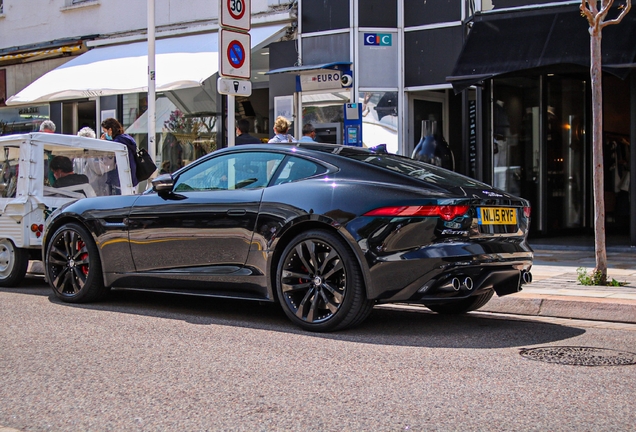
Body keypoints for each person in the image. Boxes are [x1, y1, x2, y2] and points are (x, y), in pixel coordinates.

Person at [100, 117, 139, 191]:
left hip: (122, 180)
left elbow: (107, 162)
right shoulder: (126, 138)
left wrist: (103, 143)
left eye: (104, 131)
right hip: (132, 178)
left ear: (110, 130)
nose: (104, 134)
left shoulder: (117, 143)